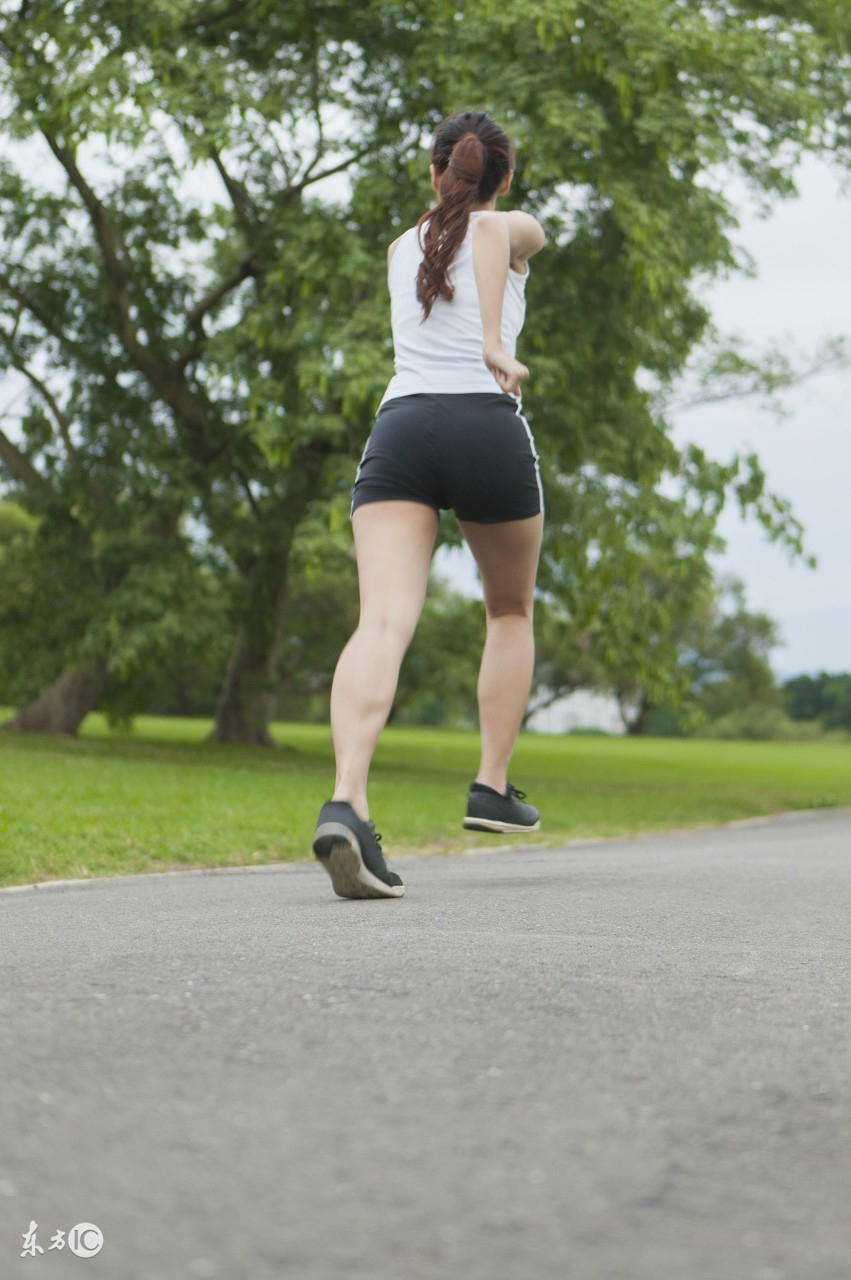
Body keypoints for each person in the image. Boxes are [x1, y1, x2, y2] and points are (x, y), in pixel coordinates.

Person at [312, 111, 546, 900]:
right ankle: (490, 784)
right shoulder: (513, 226)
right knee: (508, 611)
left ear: (433, 170)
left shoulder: (396, 248)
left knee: (379, 620)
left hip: (403, 428)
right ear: (503, 177)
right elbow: (488, 235)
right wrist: (490, 340)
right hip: (484, 424)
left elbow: (467, 234)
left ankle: (346, 800)